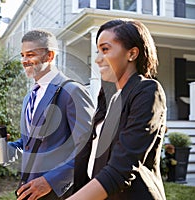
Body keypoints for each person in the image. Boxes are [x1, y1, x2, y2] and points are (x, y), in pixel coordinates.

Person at [67, 18, 167, 200]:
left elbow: (121, 168)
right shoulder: (108, 96)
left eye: (105, 49)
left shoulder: (147, 91)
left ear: (132, 53)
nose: (97, 59)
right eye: (98, 51)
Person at [0, 29, 95, 200]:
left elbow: (87, 148)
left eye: (30, 54)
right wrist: (5, 149)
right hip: (30, 191)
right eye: (22, 55)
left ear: (50, 56)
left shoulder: (72, 91)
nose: (24, 61)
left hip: (61, 194)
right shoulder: (29, 97)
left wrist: (51, 182)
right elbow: (28, 144)